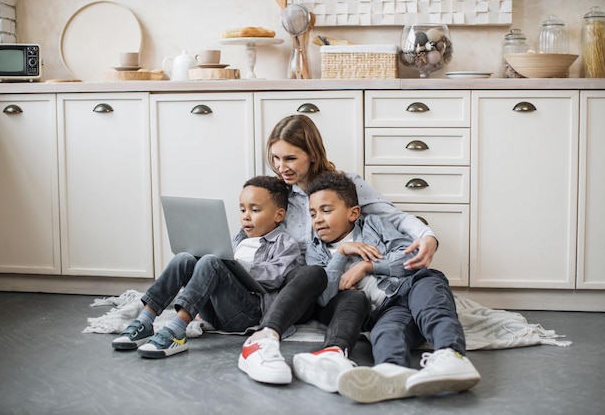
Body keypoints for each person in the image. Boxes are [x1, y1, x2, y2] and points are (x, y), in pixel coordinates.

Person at [237, 114, 439, 389]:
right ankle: (262, 340)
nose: (280, 167)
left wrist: (427, 236)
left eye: (290, 158)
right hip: (293, 289)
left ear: (312, 154)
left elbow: (395, 217)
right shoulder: (278, 194)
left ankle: (333, 354)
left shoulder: (344, 186)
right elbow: (249, 232)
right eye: (275, 158)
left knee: (356, 300)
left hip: (332, 289)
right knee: (311, 273)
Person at [302, 171, 481, 402]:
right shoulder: (315, 251)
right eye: (312, 213)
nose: (317, 219)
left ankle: (451, 355)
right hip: (386, 308)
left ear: (353, 213)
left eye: (326, 211)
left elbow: (411, 257)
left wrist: (368, 267)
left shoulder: (375, 225)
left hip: (414, 283)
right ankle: (392, 371)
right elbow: (324, 298)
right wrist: (342, 255)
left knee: (431, 309)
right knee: (385, 333)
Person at [111, 175, 302, 358]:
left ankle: (177, 331)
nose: (246, 216)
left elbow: (274, 277)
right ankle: (145, 321)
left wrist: (237, 265)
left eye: (255, 210)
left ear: (279, 215)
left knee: (212, 261)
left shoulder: (285, 243)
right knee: (184, 258)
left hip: (247, 314)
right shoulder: (239, 239)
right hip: (214, 312)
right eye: (242, 210)